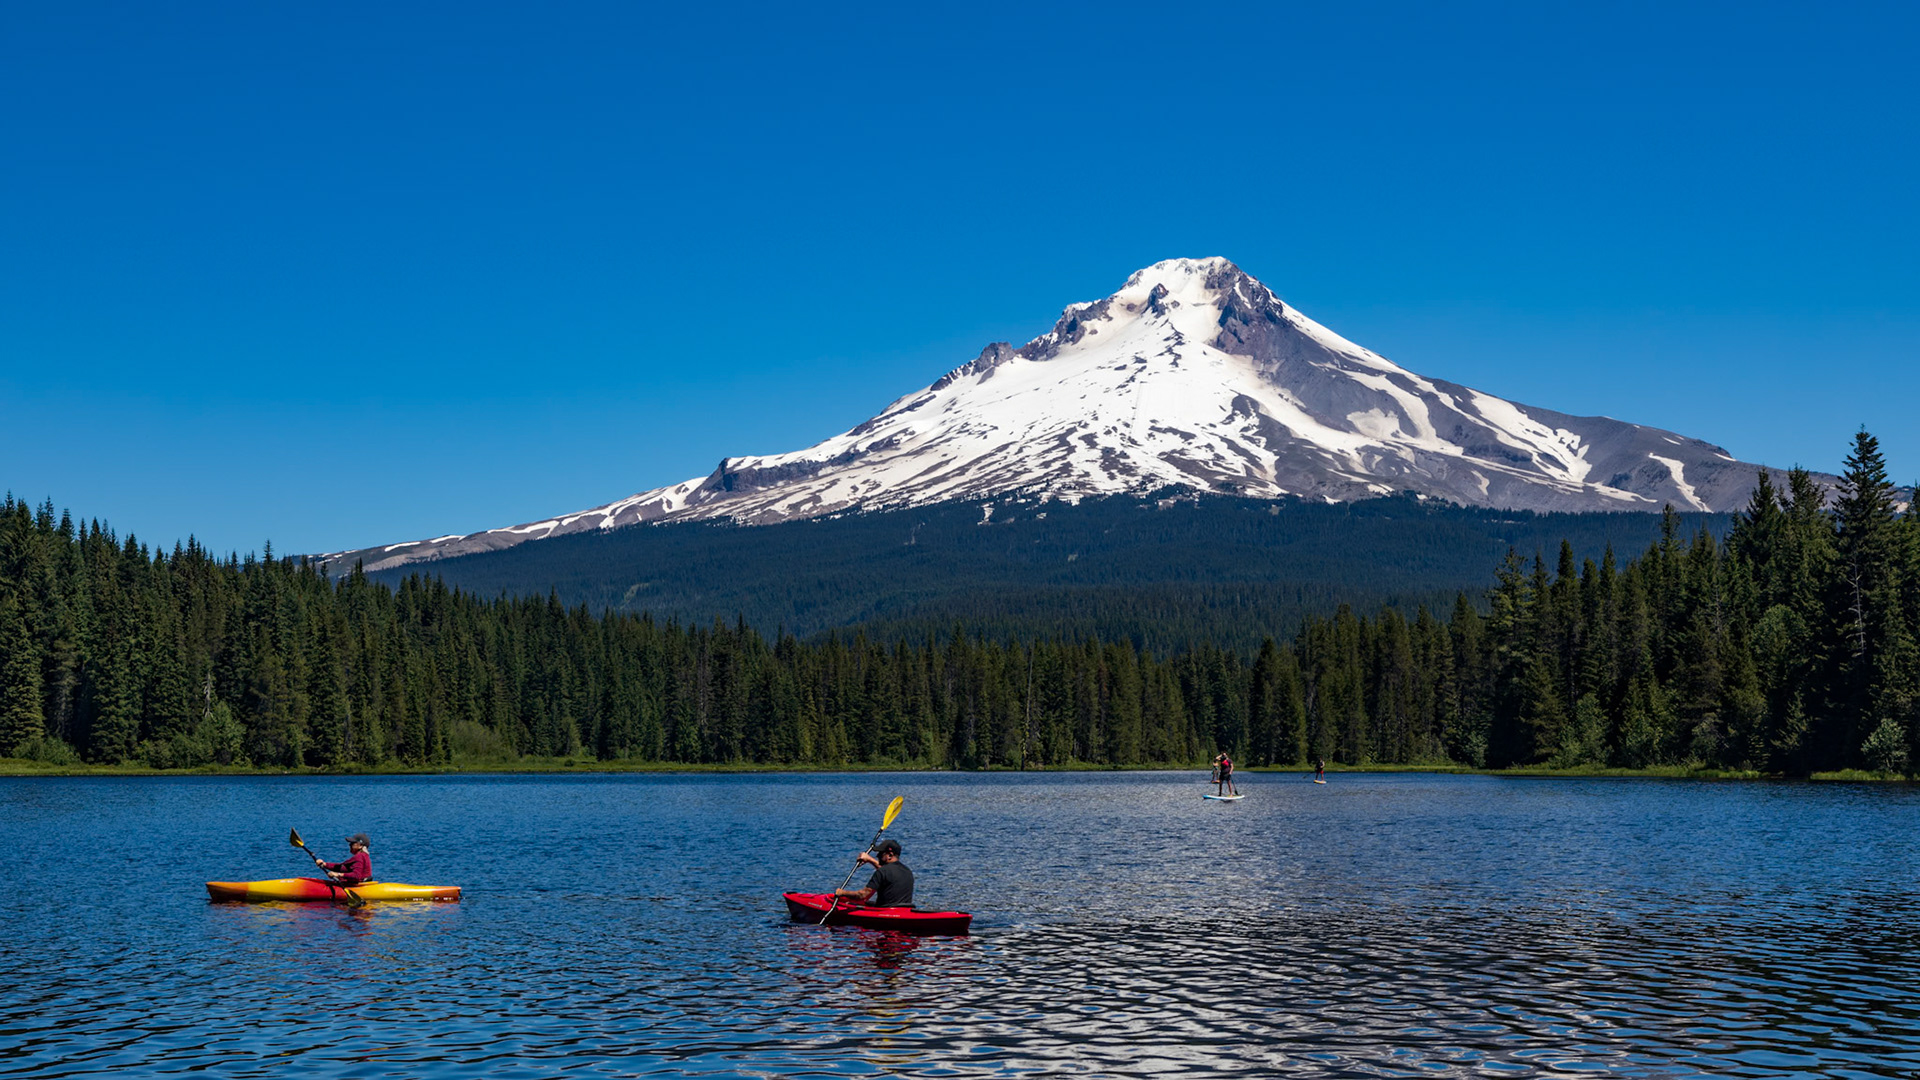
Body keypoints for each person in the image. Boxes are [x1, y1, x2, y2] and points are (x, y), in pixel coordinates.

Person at [834, 838, 913, 907]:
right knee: (868, 903)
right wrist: (869, 860)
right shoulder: (907, 871)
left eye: (881, 853)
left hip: (885, 911)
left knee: (852, 903)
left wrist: (843, 892)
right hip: (903, 910)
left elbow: (863, 895)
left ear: (890, 855)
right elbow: (887, 874)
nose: (877, 856)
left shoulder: (882, 871)